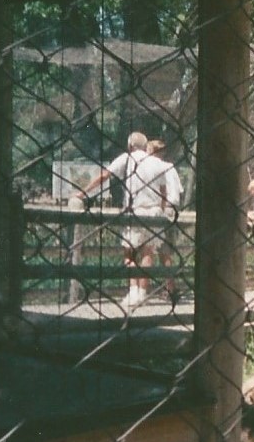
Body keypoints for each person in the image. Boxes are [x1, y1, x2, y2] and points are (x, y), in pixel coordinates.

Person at [77, 131, 171, 309]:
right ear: (145, 145)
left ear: (130, 145)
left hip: (134, 210)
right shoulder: (157, 163)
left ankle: (133, 291)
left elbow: (104, 176)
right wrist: (162, 209)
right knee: (148, 252)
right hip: (154, 212)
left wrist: (82, 193)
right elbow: (163, 192)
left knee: (129, 252)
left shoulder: (127, 158)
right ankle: (142, 293)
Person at [146, 139, 185, 302]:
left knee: (152, 249)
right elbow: (179, 190)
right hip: (173, 209)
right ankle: (170, 288)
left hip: (161, 208)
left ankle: (145, 288)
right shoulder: (170, 167)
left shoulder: (153, 167)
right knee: (166, 251)